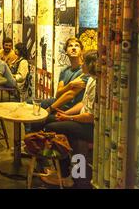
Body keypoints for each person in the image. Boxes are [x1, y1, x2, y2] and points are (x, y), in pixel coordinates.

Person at [39, 50, 97, 187]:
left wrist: (69, 118)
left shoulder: (96, 83)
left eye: (84, 61)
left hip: (90, 126)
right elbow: (82, 104)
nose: (82, 64)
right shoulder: (90, 79)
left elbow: (91, 116)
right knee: (49, 120)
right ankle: (59, 168)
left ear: (90, 64)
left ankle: (65, 175)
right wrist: (67, 115)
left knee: (51, 127)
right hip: (81, 120)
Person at [41, 37, 88, 113]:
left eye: (77, 46)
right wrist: (70, 85)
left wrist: (50, 109)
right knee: (34, 105)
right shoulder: (64, 70)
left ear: (81, 51)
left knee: (42, 118)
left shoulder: (85, 70)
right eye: (70, 46)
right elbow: (58, 94)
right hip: (62, 103)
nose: (73, 48)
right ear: (66, 51)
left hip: (74, 108)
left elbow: (70, 94)